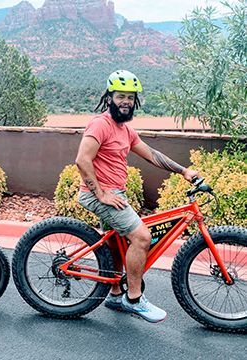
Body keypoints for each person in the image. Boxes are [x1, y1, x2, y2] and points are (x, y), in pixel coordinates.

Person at [75, 70, 199, 323]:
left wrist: (184, 171)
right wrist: (101, 193)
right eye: (121, 96)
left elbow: (152, 155)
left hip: (115, 194)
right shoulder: (101, 124)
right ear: (109, 97)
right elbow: (82, 159)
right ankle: (134, 299)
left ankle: (115, 293)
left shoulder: (125, 130)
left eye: (130, 98)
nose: (126, 102)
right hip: (99, 194)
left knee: (116, 243)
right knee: (142, 237)